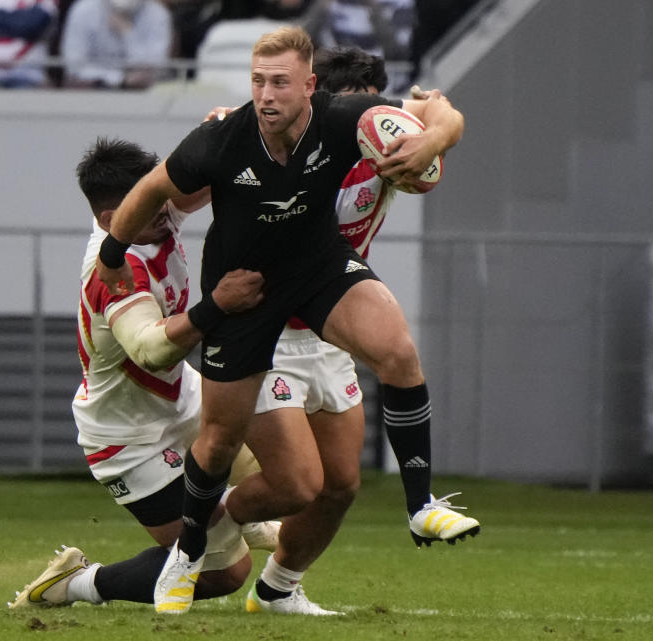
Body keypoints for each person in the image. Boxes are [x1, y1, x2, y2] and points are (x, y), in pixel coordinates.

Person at [95, 25, 466, 615]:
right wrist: (113, 251)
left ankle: (419, 507)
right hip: (248, 292)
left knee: (395, 357)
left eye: (279, 84)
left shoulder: (348, 122)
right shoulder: (223, 137)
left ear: (312, 89)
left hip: (318, 271)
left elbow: (442, 112)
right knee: (226, 444)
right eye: (258, 82)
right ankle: (189, 552)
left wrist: (430, 143)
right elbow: (156, 187)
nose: (266, 95)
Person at [205, 46, 479, 616]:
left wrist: (430, 140)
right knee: (295, 484)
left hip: (330, 323)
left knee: (340, 487)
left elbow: (445, 114)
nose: (363, 130)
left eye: (374, 115)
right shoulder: (270, 133)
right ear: (315, 98)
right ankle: (201, 520)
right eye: (348, 114)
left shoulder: (388, 132)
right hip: (268, 327)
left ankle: (278, 588)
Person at [8, 137, 281, 610]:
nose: (166, 207)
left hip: (182, 398)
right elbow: (151, 350)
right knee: (225, 575)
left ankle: (230, 513)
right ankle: (76, 583)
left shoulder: (149, 216)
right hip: (129, 440)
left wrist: (243, 127)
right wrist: (218, 304)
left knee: (281, 465)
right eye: (150, 202)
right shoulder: (111, 270)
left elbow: (211, 176)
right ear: (114, 221)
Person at [60, 0, 172, 90]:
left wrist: (128, 34)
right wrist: (120, 80)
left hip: (140, 93)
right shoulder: (83, 9)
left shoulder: (157, 14)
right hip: (92, 91)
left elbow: (153, 67)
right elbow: (74, 67)